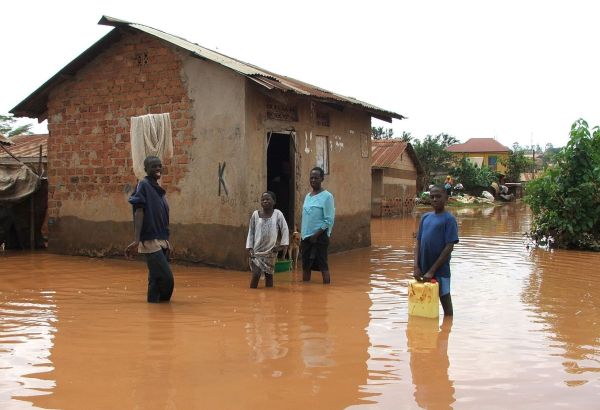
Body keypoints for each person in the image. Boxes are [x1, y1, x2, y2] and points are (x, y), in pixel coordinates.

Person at [125, 156, 174, 303]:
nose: (158, 169)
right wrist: (137, 240)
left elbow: (161, 217)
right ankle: (164, 306)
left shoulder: (158, 189)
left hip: (161, 239)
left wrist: (167, 241)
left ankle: (155, 312)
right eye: (154, 166)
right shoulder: (144, 185)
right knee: (167, 279)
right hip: (150, 241)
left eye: (159, 166)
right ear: (146, 170)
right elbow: (139, 211)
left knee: (155, 280)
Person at [414, 185, 459, 315]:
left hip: (440, 270)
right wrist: (416, 266)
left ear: (446, 198)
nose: (435, 199)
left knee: (446, 304)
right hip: (423, 268)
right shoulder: (425, 218)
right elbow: (418, 243)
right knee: (422, 303)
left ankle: (446, 331)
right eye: (432, 197)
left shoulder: (449, 219)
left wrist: (432, 271)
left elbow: (449, 247)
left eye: (438, 196)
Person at [246, 191, 289, 288]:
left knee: (269, 276)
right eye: (263, 200)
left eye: (268, 199)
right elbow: (251, 231)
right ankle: (252, 298)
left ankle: (270, 300)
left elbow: (284, 229)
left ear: (274, 202)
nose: (265, 201)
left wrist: (282, 246)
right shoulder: (255, 215)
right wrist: (249, 247)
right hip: (257, 252)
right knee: (256, 274)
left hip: (271, 252)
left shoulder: (278, 214)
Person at [301, 167, 335, 284]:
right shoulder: (307, 196)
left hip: (319, 237)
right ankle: (306, 292)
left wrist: (316, 235)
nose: (313, 180)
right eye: (311, 178)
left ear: (322, 179)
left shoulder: (327, 197)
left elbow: (329, 220)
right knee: (305, 265)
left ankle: (326, 290)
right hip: (306, 237)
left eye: (316, 177)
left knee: (322, 265)